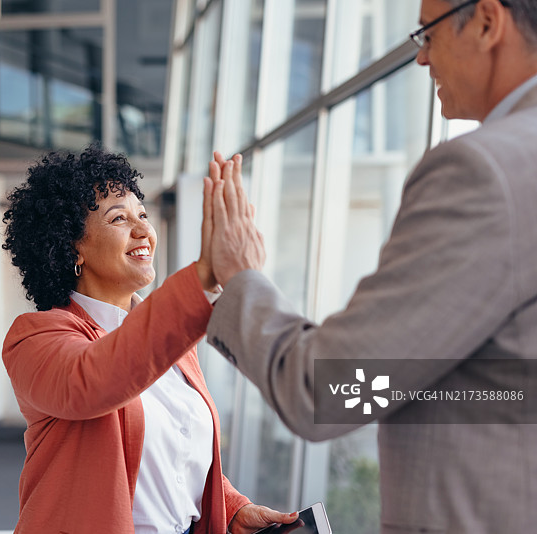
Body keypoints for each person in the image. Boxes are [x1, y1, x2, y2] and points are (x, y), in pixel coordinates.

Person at [205, 0, 537, 533]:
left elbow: (331, 388)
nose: (422, 59)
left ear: (487, 22)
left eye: (427, 35)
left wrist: (243, 277)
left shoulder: (485, 171)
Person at [1, 145, 299, 533]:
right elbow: (97, 379)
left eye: (143, 214)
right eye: (119, 218)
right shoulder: (35, 337)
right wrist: (205, 274)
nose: (143, 230)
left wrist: (231, 507)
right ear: (73, 246)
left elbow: (171, 453)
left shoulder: (171, 342)